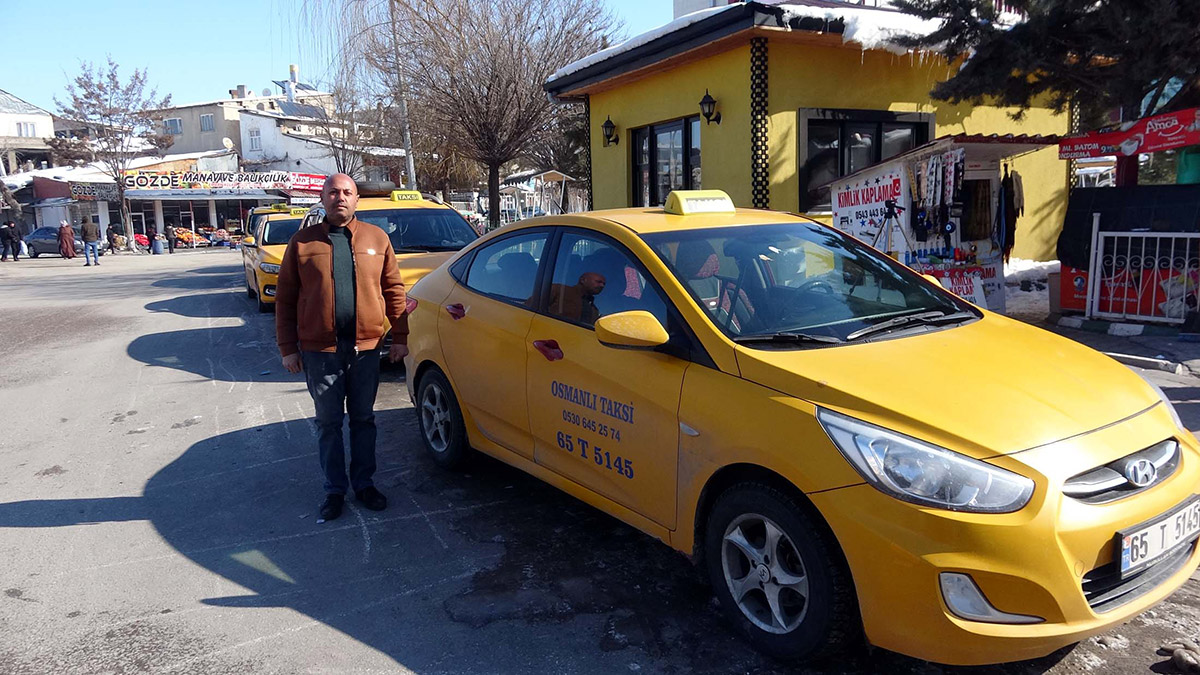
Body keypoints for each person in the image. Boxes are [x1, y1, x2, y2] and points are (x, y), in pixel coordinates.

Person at [275, 173, 409, 522]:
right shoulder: (302, 243)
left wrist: (401, 338)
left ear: (357, 200)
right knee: (329, 423)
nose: (340, 197)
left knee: (364, 419)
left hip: (367, 349)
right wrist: (288, 347)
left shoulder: (377, 239)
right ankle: (335, 491)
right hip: (320, 352)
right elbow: (285, 300)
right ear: (322, 198)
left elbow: (395, 291)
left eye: (347, 192)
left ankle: (364, 484)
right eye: (333, 192)